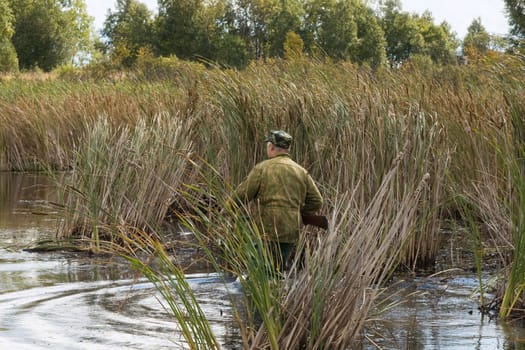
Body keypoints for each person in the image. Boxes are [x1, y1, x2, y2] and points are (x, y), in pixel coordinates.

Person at [232, 130, 323, 273]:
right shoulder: (301, 171)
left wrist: (225, 211)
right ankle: (279, 293)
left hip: (268, 227)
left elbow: (242, 195)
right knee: (278, 269)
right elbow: (317, 201)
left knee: (258, 271)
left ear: (271, 147)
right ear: (288, 149)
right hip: (291, 229)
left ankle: (257, 294)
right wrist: (300, 213)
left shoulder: (262, 168)